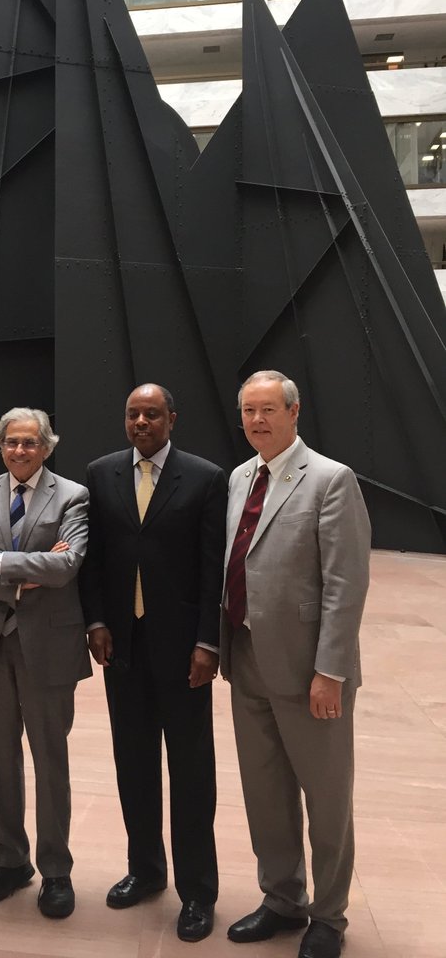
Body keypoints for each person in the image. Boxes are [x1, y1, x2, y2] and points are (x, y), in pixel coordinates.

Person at [221, 371, 370, 958]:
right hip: (247, 658)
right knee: (265, 791)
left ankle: (328, 916)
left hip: (311, 670)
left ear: (294, 411)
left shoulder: (331, 480)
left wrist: (330, 670)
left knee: (326, 798)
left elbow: (345, 583)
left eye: (268, 410)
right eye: (249, 411)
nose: (258, 420)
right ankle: (282, 899)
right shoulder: (239, 477)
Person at [79, 384, 227, 943]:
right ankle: (145, 869)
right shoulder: (102, 473)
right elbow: (92, 560)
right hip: (123, 648)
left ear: (172, 419)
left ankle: (197, 891)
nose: (141, 422)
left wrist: (207, 643)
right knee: (133, 763)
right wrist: (95, 621)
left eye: (152, 414)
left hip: (182, 652)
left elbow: (212, 567)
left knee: (192, 773)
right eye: (132, 414)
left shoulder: (206, 478)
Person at [0, 408, 89, 920]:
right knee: (0, 758)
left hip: (47, 649)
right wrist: (21, 576)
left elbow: (67, 565)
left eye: (31, 442)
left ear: (47, 447)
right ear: (0, 445)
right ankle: (9, 861)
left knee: (51, 761)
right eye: (12, 442)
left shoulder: (72, 495)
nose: (20, 451)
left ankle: (56, 871)